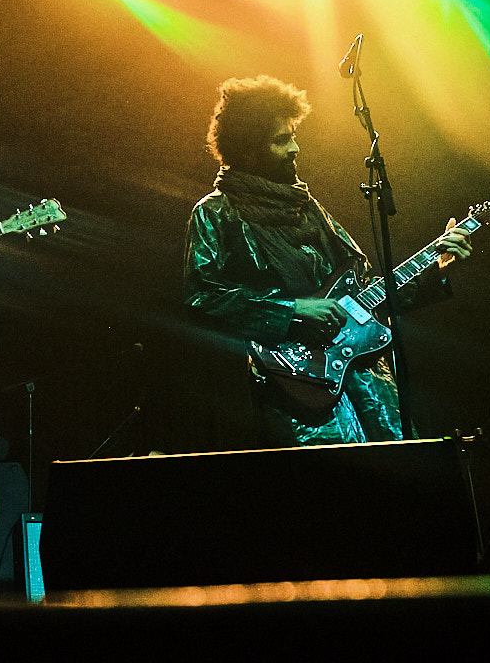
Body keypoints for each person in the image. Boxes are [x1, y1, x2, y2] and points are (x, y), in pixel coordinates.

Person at [182, 75, 472, 447]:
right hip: (294, 389)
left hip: (366, 381)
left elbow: (366, 297)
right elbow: (201, 300)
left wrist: (437, 270)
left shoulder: (308, 208)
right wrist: (292, 309)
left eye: (293, 135)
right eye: (281, 139)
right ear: (248, 148)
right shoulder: (217, 213)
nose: (295, 148)